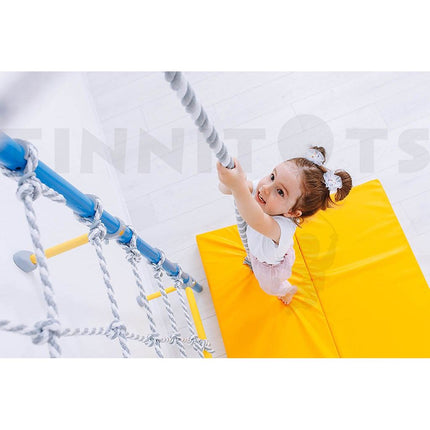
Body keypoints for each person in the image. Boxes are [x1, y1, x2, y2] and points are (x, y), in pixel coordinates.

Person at [217, 146, 352, 305]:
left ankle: (287, 290)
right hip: (256, 252)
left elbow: (256, 220)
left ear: (292, 212)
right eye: (272, 176)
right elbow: (227, 190)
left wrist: (237, 186)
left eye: (280, 192)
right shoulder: (264, 190)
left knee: (269, 288)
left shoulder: (283, 228)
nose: (266, 188)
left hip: (269, 267)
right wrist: (229, 180)